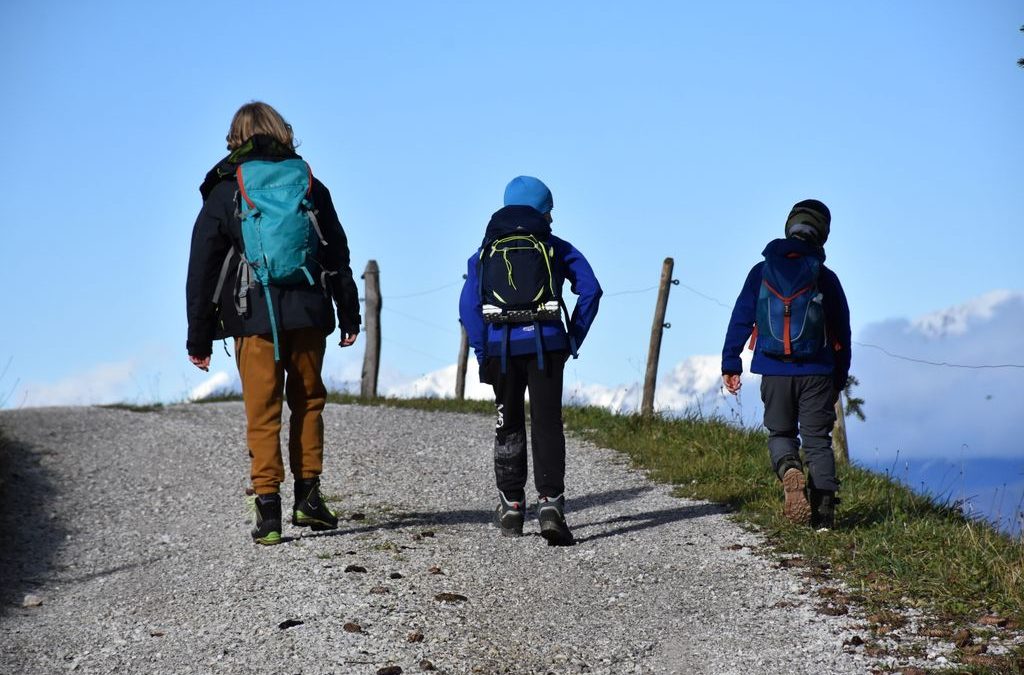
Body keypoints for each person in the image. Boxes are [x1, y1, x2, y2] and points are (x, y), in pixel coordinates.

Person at [186, 101, 361, 545]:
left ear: (235, 138)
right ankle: (309, 499)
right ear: (283, 132)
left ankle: (268, 513)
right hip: (307, 310)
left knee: (262, 413)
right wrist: (349, 312)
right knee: (308, 403)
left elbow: (202, 269)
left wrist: (199, 335)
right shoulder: (308, 184)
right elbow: (336, 252)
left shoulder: (227, 190)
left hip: (252, 316)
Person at [459, 176, 602, 546]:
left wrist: (482, 350)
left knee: (508, 424)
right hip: (547, 345)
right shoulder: (555, 245)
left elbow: (468, 307)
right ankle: (551, 505)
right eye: (550, 209)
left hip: (501, 348)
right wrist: (572, 339)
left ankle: (511, 506)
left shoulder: (486, 251)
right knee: (547, 423)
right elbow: (591, 289)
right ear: (543, 210)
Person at [720, 199, 851, 529]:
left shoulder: (762, 271)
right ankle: (823, 519)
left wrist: (731, 361)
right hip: (818, 370)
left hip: (773, 368)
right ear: (822, 234)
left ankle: (789, 467)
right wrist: (839, 377)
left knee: (781, 432)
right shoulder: (825, 276)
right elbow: (842, 330)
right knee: (818, 441)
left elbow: (740, 317)